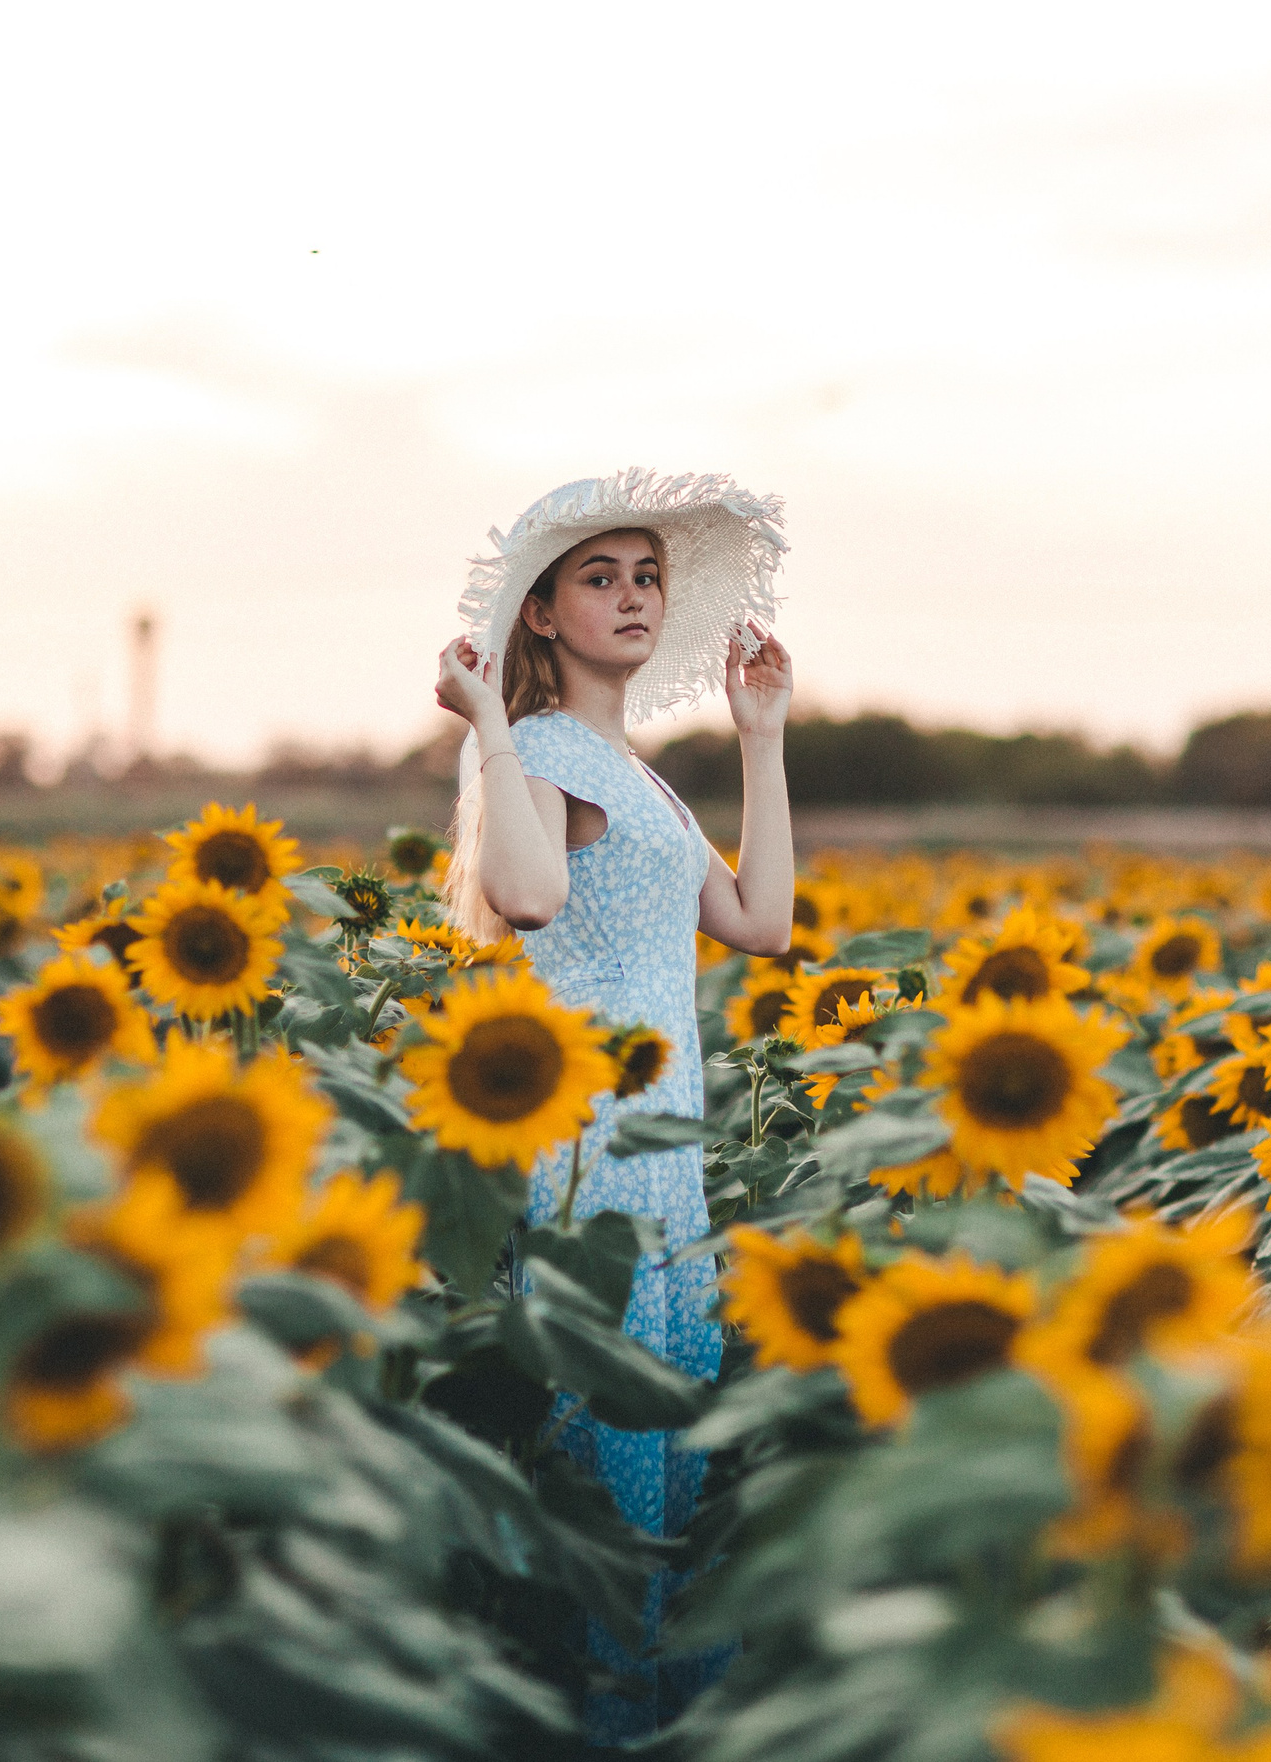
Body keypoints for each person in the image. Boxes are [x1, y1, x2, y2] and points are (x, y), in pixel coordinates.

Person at [432, 471, 795, 1743]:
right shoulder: (539, 752)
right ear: (541, 614)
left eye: (647, 576)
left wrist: (762, 738)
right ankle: (611, 1723)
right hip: (591, 1153)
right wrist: (485, 719)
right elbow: (526, 898)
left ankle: (647, 1718)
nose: (635, 595)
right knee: (615, 1475)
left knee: (664, 1462)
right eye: (602, 576)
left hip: (666, 1153)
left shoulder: (635, 777)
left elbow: (759, 921)